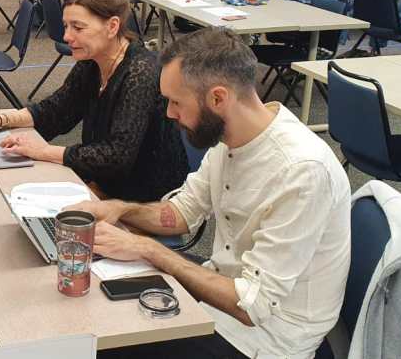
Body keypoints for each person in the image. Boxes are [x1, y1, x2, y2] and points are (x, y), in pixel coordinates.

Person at [72, 27, 351, 359]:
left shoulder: (301, 171)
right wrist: (119, 210)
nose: (169, 113)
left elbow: (253, 305)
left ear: (218, 98)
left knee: (105, 340)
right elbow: (180, 213)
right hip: (225, 292)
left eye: (177, 102)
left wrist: (148, 249)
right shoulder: (229, 136)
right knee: (98, 298)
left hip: (267, 337)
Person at [0, 0, 188, 202]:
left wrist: (44, 151)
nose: (67, 36)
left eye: (78, 27)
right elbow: (56, 111)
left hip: (146, 198)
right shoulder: (92, 61)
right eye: (66, 26)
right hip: (107, 183)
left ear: (112, 26)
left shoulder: (141, 72)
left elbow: (116, 157)